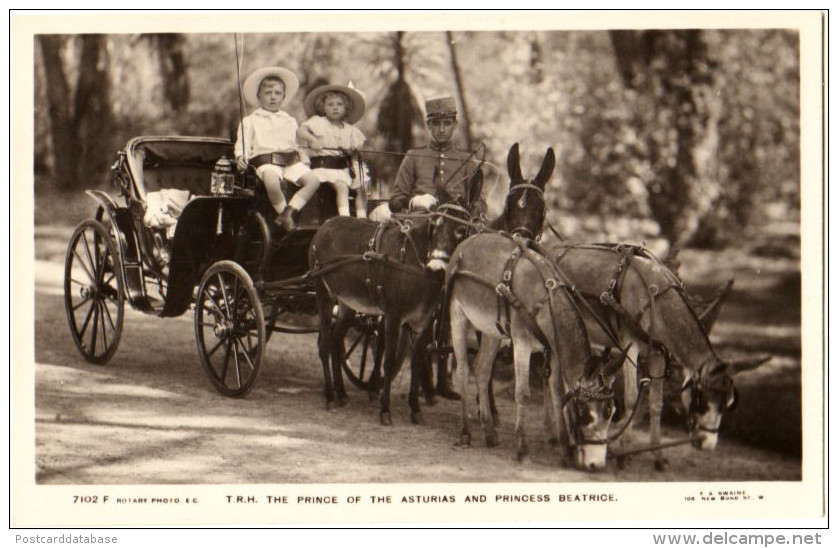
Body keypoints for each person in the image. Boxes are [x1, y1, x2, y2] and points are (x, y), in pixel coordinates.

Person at [234, 66, 321, 232]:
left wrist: (304, 159)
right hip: (267, 162)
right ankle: (284, 215)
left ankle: (288, 213)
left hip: (290, 162)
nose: (273, 97)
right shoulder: (250, 120)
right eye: (268, 93)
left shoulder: (290, 120)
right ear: (259, 96)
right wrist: (240, 158)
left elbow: (295, 144)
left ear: (284, 97)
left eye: (277, 93)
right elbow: (242, 144)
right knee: (272, 183)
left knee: (313, 181)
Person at [389, 96, 486, 216]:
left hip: (457, 225)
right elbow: (394, 201)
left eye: (447, 123)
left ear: (454, 124)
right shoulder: (413, 157)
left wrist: (470, 210)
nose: (441, 129)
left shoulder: (467, 160)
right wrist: (415, 201)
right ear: (428, 124)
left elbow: (481, 203)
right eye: (436, 124)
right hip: (420, 225)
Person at [298, 82, 369, 218]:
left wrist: (350, 151)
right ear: (323, 108)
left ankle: (362, 219)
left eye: (339, 104)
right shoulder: (319, 122)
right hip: (325, 168)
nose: (335, 107)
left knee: (361, 189)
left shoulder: (350, 129)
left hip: (345, 169)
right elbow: (301, 131)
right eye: (330, 104)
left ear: (346, 108)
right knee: (341, 186)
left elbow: (356, 149)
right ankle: (345, 218)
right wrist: (312, 140)